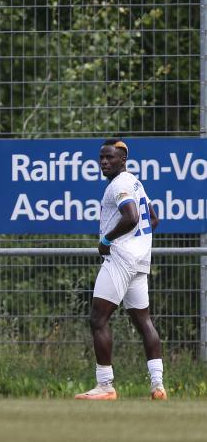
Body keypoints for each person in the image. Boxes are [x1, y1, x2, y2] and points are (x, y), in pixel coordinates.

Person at [76, 139, 164, 401]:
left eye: (110, 158)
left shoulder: (120, 185)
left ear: (122, 160)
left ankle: (105, 386)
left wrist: (106, 241)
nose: (104, 162)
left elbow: (132, 216)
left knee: (97, 319)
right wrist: (137, 243)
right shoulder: (135, 183)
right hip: (139, 260)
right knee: (143, 321)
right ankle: (157, 385)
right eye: (101, 158)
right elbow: (154, 219)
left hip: (121, 259)